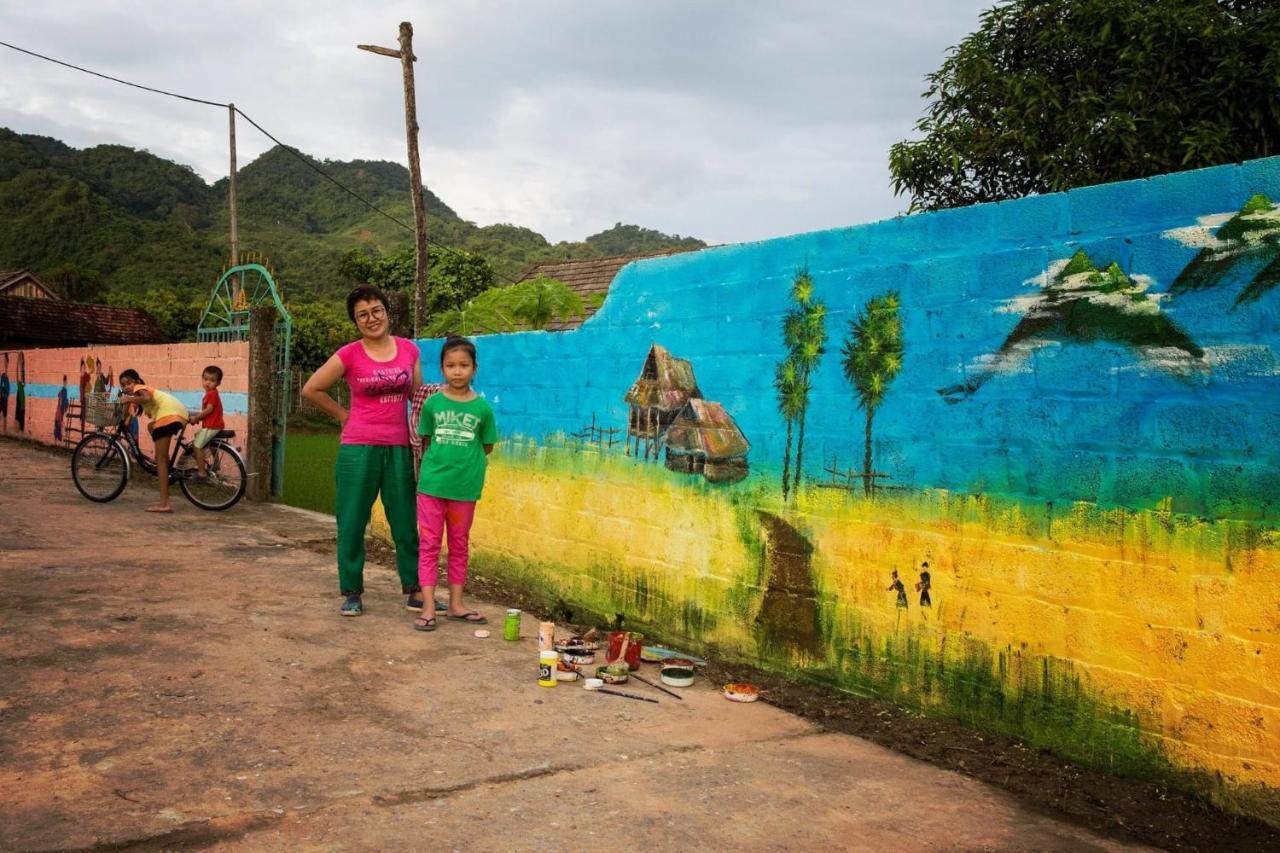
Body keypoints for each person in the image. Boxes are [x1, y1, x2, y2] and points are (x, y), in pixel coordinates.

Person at [302, 284, 427, 617]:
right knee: (352, 521)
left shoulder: (409, 350)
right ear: (355, 322)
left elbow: (416, 399)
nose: (372, 319)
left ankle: (415, 590)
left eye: (376, 311)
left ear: (386, 312)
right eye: (363, 315)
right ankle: (352, 591)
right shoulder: (349, 354)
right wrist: (343, 415)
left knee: (405, 522)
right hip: (358, 449)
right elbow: (312, 388)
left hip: (399, 447)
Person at [411, 335, 497, 632]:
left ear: (474, 368)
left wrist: (464, 467)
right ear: (442, 368)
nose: (457, 371)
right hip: (432, 486)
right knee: (430, 544)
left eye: (464, 365)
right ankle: (429, 606)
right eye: (450, 365)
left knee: (459, 544)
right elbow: (426, 439)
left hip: (465, 489)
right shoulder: (433, 404)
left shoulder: (483, 409)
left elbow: (486, 447)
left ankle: (457, 605)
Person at [117, 368, 188, 513]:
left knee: (160, 462)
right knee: (151, 426)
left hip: (169, 415)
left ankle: (164, 504)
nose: (126, 387)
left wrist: (129, 398)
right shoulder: (137, 395)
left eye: (129, 383)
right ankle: (163, 458)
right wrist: (125, 409)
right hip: (176, 413)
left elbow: (147, 398)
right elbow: (128, 412)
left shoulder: (140, 389)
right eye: (123, 385)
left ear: (136, 382)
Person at [186, 365, 225, 479]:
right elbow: (208, 412)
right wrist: (198, 416)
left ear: (218, 383)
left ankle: (202, 472)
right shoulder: (212, 393)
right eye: (205, 379)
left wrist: (197, 418)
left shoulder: (211, 394)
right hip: (215, 425)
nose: (208, 383)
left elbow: (209, 410)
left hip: (212, 426)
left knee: (197, 446)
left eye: (212, 380)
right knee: (201, 438)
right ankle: (216, 464)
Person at [1, 352, 10, 434]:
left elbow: (6, 369)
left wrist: (5, 358)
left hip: (5, 399)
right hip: (2, 399)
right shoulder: (2, 382)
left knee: (5, 415)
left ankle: (4, 430)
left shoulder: (6, 381)